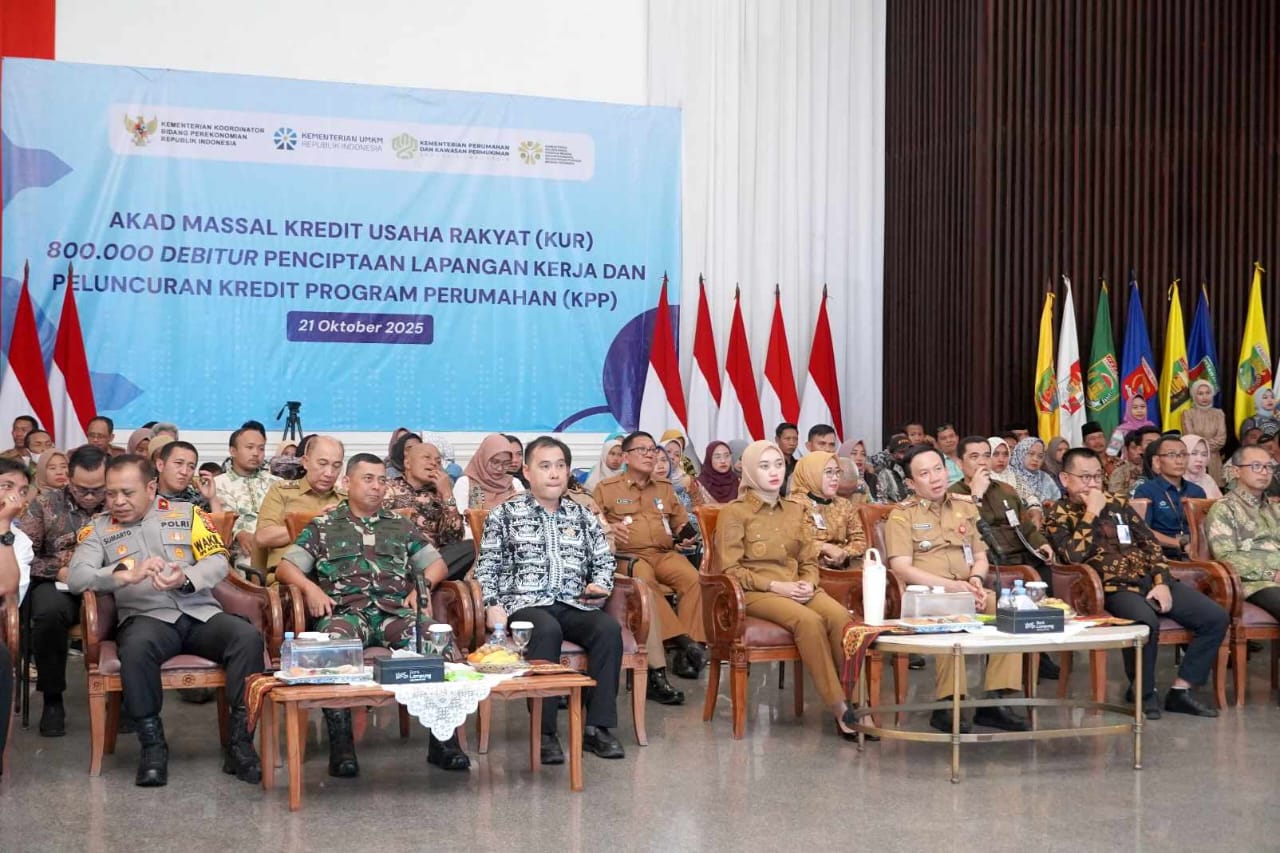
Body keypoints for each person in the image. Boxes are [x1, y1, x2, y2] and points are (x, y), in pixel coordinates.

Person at [66, 455, 264, 786]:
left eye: (127, 493)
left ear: (151, 488)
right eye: (111, 493)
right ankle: (153, 748)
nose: (118, 501)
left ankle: (240, 744)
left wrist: (185, 578)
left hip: (200, 612)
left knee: (246, 637)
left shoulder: (189, 515)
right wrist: (122, 574)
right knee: (136, 649)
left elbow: (218, 561)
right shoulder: (98, 529)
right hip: (146, 618)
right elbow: (77, 578)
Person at [276, 454, 466, 775]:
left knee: (438, 641)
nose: (377, 486)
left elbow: (436, 564)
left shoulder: (400, 524)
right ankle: (342, 746)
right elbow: (286, 567)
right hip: (347, 614)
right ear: (347, 483)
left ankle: (443, 742)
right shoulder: (324, 525)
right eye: (368, 479)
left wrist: (421, 586)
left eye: (381, 480)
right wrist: (310, 589)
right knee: (332, 645)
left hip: (396, 612)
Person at [1046, 448, 1229, 718]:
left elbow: (1151, 545)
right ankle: (1144, 692)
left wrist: (1162, 582)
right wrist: (1091, 513)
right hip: (1111, 587)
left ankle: (1182, 690)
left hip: (1149, 579)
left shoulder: (1118, 504)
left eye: (1097, 476)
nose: (1093, 484)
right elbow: (1071, 556)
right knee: (1145, 622)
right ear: (1065, 479)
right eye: (1085, 477)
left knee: (1215, 617)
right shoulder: (1058, 514)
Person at [477, 436, 626, 762]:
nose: (554, 473)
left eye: (560, 466)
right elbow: (486, 568)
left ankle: (597, 728)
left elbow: (604, 560)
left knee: (607, 629)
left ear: (568, 471)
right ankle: (544, 733)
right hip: (525, 604)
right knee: (546, 629)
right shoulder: (504, 514)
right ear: (527, 472)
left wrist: (600, 585)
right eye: (545, 466)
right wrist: (491, 604)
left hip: (573, 602)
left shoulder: (582, 515)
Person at [716, 440, 860, 739]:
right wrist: (776, 586)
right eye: (764, 466)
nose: (774, 472)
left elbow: (808, 559)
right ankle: (839, 707)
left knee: (841, 618)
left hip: (797, 585)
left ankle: (855, 699)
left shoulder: (795, 510)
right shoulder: (734, 512)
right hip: (758, 591)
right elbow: (731, 570)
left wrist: (809, 582)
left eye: (779, 464)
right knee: (809, 621)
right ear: (750, 471)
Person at [884, 446, 1029, 733]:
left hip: (966, 589)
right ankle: (948, 704)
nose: (935, 478)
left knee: (1009, 611)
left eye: (938, 469)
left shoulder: (965, 506)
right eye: (924, 474)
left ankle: (995, 700)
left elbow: (980, 556)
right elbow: (901, 567)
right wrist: (953, 587)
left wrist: (975, 580)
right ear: (911, 483)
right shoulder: (902, 515)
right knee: (953, 615)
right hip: (927, 596)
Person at [594, 431, 707, 678]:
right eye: (642, 450)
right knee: (645, 581)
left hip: (664, 554)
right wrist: (609, 527)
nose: (649, 455)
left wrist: (685, 535)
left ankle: (684, 656)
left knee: (694, 579)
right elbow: (592, 526)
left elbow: (679, 523)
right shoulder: (606, 489)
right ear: (626, 457)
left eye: (652, 450)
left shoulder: (664, 488)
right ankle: (686, 643)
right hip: (628, 557)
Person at [950, 436, 1060, 679]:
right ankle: (1007, 664)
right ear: (960, 463)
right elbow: (961, 532)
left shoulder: (1005, 490)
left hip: (1021, 556)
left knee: (1047, 576)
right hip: (988, 561)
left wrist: (1041, 543)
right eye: (974, 457)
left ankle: (1037, 652)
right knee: (1008, 587)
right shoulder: (953, 495)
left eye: (986, 455)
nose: (982, 462)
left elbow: (1026, 527)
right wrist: (976, 496)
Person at [20, 444, 109, 736]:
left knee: (133, 609)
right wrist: (57, 570)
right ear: (68, 479)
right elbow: (24, 555)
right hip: (59, 583)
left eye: (97, 490)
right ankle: (52, 699)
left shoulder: (119, 501)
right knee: (48, 615)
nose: (90, 497)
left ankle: (124, 698)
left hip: (107, 582)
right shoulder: (45, 505)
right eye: (82, 489)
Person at [1206, 446, 1280, 640]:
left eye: (1269, 467)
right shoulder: (1224, 508)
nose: (1264, 472)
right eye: (1256, 466)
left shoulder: (1275, 508)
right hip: (1255, 583)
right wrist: (1272, 574)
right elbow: (1226, 558)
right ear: (1237, 471)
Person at [383, 441, 472, 580]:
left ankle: (425, 579)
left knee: (470, 547)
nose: (433, 463)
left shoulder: (439, 494)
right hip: (395, 556)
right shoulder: (388, 488)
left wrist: (447, 494)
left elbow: (454, 537)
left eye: (438, 461)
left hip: (432, 561)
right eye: (427, 457)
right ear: (408, 463)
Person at [255, 435, 344, 569]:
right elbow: (263, 538)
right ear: (305, 462)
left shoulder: (345, 500)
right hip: (288, 575)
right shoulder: (282, 491)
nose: (329, 473)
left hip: (337, 576)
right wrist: (314, 523)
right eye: (322, 464)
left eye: (336, 466)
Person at [0, 458, 36, 765]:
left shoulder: (20, 541)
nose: (15, 496)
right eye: (6, 486)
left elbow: (8, 590)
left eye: (22, 491)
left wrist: (3, 528)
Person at [211, 421, 278, 575]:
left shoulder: (276, 483)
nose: (256, 453)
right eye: (250, 447)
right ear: (233, 451)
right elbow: (220, 519)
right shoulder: (217, 484)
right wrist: (238, 533)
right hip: (243, 550)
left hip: (277, 544)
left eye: (261, 448)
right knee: (250, 565)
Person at [788, 451, 867, 568]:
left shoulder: (843, 504)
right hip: (804, 570)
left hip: (840, 569)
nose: (835, 478)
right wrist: (824, 548)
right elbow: (791, 543)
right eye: (829, 472)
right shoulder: (794, 504)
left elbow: (860, 540)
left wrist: (843, 553)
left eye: (837, 472)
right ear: (812, 474)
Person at [1132, 436, 1204, 559]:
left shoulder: (1197, 491)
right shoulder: (1146, 490)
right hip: (1162, 556)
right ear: (1157, 461)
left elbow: (1203, 529)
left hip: (1194, 555)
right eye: (1171, 455)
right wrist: (1180, 544)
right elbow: (1142, 530)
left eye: (1183, 455)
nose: (1179, 461)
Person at [454, 434, 524, 523]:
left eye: (506, 463)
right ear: (483, 458)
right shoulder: (465, 483)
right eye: (495, 462)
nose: (500, 468)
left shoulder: (514, 484)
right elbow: (460, 521)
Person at [153, 440, 221, 513]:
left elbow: (218, 520)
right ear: (160, 465)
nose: (184, 472)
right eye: (178, 463)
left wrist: (212, 499)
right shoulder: (146, 494)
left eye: (191, 467)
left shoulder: (196, 500)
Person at [1180, 380, 1226, 484]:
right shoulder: (1188, 414)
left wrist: (1202, 446)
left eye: (1207, 393)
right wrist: (1203, 449)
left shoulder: (1219, 414)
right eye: (1200, 393)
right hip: (1194, 460)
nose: (1204, 397)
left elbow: (1221, 440)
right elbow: (1191, 440)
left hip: (1214, 461)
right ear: (1194, 396)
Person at [1008, 437, 1061, 510]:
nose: (1035, 459)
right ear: (1021, 452)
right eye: (1031, 454)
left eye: (1040, 456)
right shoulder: (1009, 476)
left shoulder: (1045, 478)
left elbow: (1058, 503)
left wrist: (1052, 504)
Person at [1107, 426, 1160, 496]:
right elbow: (1114, 498)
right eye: (1149, 443)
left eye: (1159, 443)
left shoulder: (1168, 468)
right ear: (1139, 448)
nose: (1155, 447)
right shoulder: (1120, 472)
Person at [697, 440, 740, 505]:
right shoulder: (698, 485)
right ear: (709, 459)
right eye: (717, 457)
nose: (723, 461)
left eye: (727, 456)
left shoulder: (738, 481)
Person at [1182, 434, 1222, 499]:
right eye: (1194, 453)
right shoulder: (1174, 482)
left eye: (1204, 454)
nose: (1200, 459)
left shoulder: (1208, 480)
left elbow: (1220, 503)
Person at [775, 422, 800, 491]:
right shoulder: (771, 464)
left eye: (795, 439)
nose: (792, 443)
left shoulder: (799, 465)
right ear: (777, 439)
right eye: (787, 439)